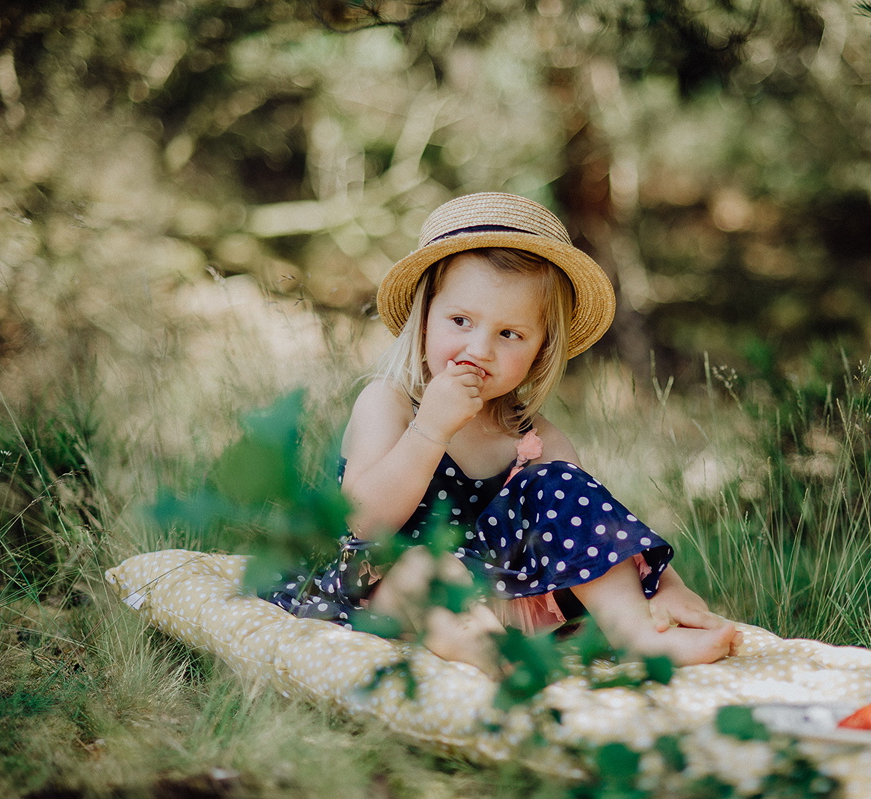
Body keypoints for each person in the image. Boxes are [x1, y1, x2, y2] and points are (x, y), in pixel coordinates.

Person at [264, 192, 740, 675]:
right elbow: (366, 523)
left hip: (504, 595)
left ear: (541, 349)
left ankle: (634, 631)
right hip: (383, 587)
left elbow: (590, 532)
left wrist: (665, 585)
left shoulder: (538, 441)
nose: (480, 348)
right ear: (424, 316)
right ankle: (473, 643)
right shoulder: (389, 403)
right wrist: (430, 429)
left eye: (509, 334)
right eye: (461, 320)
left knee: (565, 486)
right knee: (427, 570)